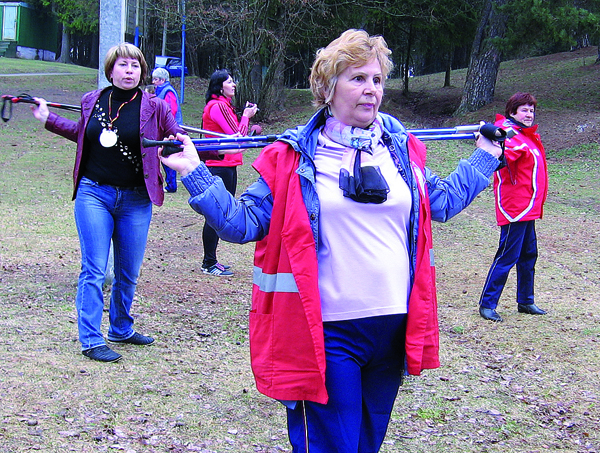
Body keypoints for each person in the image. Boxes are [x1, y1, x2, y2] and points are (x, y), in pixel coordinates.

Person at [161, 29, 501, 452]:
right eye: (357, 78)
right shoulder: (293, 157)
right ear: (327, 86)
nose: (370, 90)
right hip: (329, 333)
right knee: (330, 445)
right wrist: (194, 172)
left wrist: (485, 156)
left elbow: (442, 202)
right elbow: (240, 223)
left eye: (376, 80)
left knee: (365, 444)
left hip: (392, 329)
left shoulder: (400, 152)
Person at [30, 43, 226, 363]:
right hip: (95, 193)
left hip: (136, 198)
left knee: (128, 271)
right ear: (111, 70)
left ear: (142, 72)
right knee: (94, 269)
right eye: (123, 65)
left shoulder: (155, 107)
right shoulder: (91, 101)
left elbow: (176, 141)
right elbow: (83, 134)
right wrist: (47, 118)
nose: (130, 71)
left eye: (135, 66)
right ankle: (91, 338)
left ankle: (121, 327)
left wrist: (216, 149)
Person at [478, 92, 548, 322]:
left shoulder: (526, 135)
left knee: (529, 254)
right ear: (512, 112)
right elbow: (502, 156)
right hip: (515, 206)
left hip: (528, 206)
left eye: (531, 110)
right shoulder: (509, 133)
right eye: (524, 110)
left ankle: (526, 301)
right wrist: (496, 145)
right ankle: (487, 304)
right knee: (507, 255)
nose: (529, 114)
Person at [200, 69, 262, 276]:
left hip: (225, 165)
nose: (233, 84)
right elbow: (237, 138)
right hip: (220, 165)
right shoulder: (218, 106)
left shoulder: (221, 106)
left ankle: (211, 260)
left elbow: (237, 136)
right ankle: (209, 263)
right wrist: (246, 116)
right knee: (215, 213)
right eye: (229, 81)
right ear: (219, 86)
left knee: (218, 212)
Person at [152, 67, 182, 193]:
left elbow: (171, 111)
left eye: (156, 79)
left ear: (163, 80)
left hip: (169, 129)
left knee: (167, 155)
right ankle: (169, 183)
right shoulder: (160, 91)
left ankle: (171, 185)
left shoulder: (168, 92)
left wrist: (166, 126)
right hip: (162, 128)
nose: (153, 81)